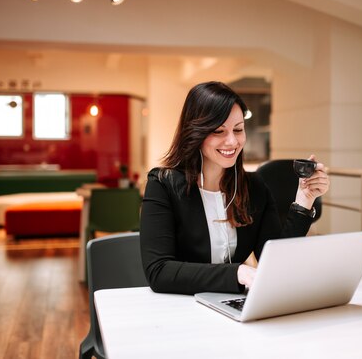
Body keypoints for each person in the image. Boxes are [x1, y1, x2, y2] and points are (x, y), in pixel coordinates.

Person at [140, 81, 329, 295]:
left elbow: (276, 262)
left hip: (233, 306)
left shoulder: (254, 186)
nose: (232, 141)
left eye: (238, 130)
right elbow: (159, 271)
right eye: (219, 131)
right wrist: (237, 273)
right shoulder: (163, 184)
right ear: (195, 132)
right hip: (181, 309)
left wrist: (304, 201)